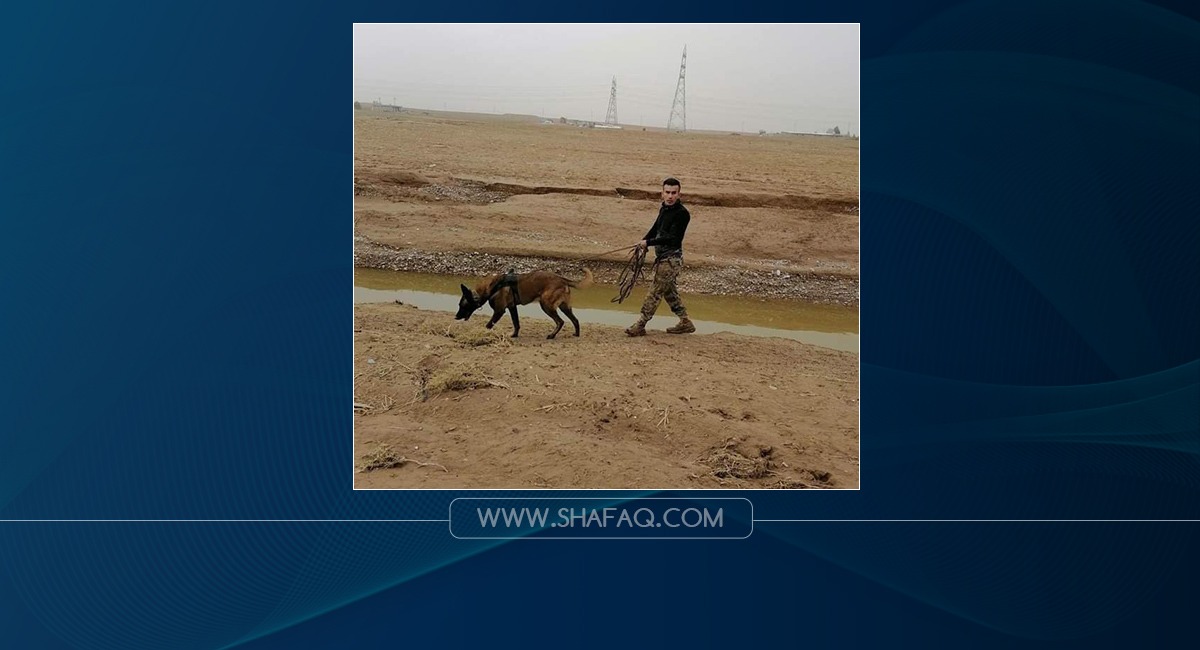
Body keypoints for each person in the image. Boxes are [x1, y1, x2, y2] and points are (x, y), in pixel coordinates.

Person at [626, 177, 695, 336]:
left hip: (671, 259)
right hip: (662, 257)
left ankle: (640, 324)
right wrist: (643, 241)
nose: (670, 196)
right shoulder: (664, 208)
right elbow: (656, 227)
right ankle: (685, 322)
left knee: (655, 291)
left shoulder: (682, 214)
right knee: (669, 292)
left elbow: (674, 238)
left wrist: (648, 242)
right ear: (662, 193)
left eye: (673, 193)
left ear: (679, 194)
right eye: (667, 192)